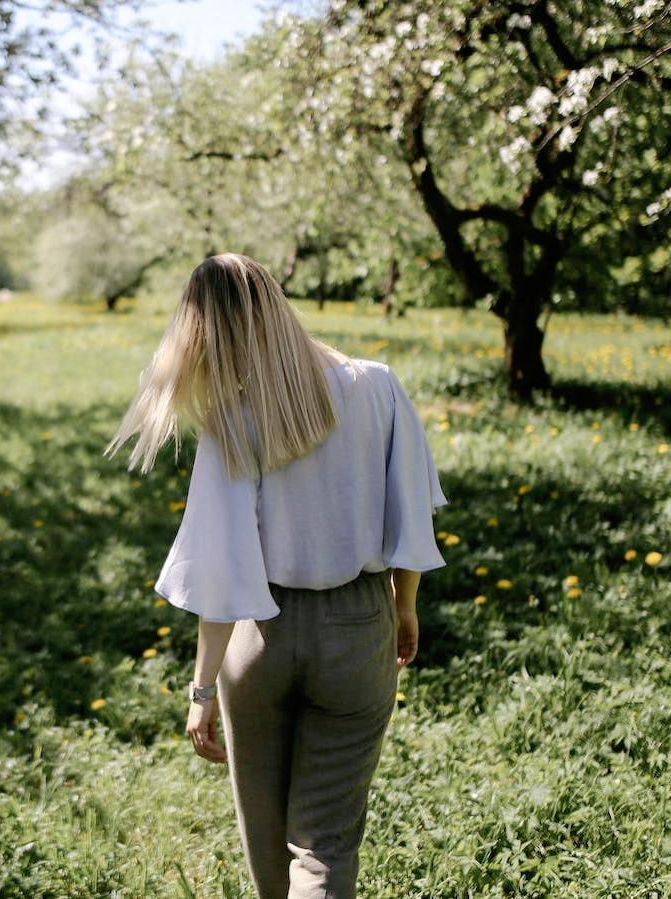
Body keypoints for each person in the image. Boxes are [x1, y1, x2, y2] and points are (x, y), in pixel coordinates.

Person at [104, 252, 449, 897]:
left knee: (265, 843)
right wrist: (405, 606)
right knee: (324, 847)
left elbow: (221, 565)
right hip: (358, 624)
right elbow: (409, 517)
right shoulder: (378, 385)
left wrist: (201, 689)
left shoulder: (233, 418)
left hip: (259, 638)